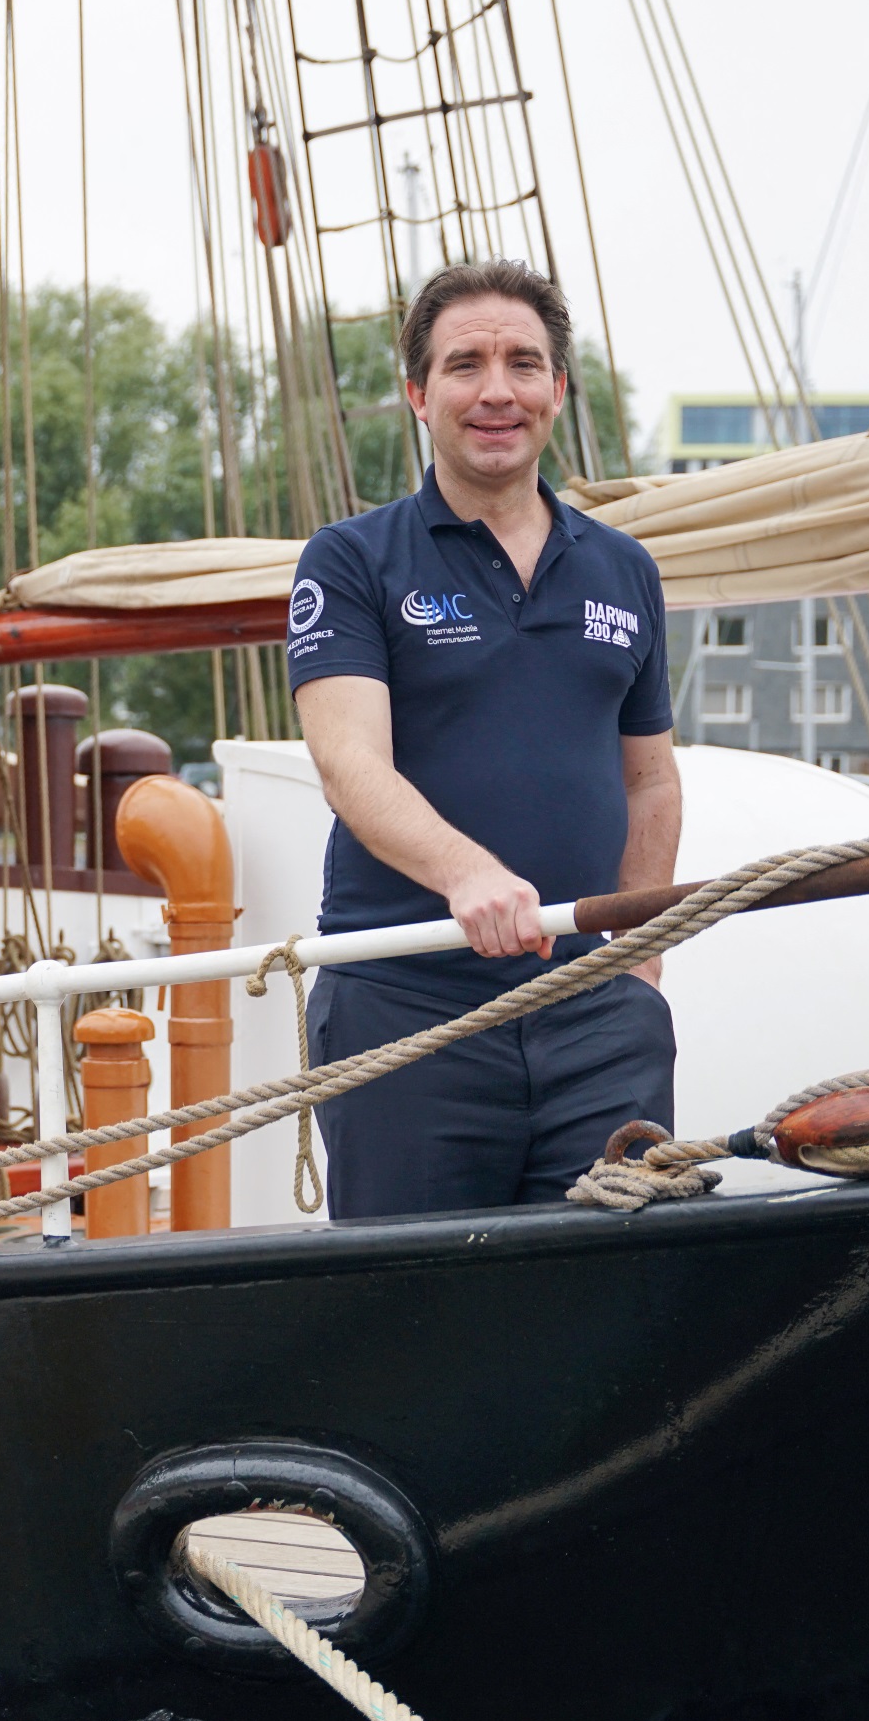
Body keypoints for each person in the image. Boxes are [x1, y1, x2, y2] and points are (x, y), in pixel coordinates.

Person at [286, 259, 681, 1214]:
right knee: (411, 1314)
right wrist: (467, 872)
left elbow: (651, 784)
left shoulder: (625, 570)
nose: (496, 390)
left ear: (557, 389)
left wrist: (641, 951)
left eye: (523, 363)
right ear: (418, 393)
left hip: (594, 1012)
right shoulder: (350, 562)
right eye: (465, 364)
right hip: (403, 1008)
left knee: (616, 1299)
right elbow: (349, 763)